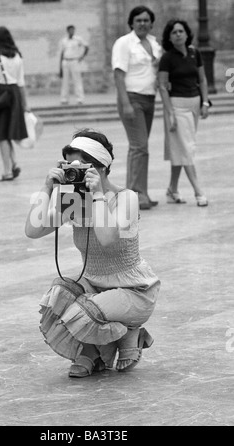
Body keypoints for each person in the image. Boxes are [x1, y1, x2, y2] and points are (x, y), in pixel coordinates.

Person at [25, 128, 160, 378]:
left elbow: (108, 240)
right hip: (95, 285)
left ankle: (128, 331)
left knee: (82, 311)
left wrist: (97, 195)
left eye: (81, 165)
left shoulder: (126, 198)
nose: (74, 172)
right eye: (70, 165)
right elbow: (32, 230)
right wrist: (46, 188)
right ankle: (95, 351)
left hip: (133, 290)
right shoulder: (73, 199)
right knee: (60, 295)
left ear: (100, 168)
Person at [112, 6, 162, 210]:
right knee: (139, 146)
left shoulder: (154, 43)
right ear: (131, 23)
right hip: (132, 98)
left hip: (149, 98)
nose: (142, 23)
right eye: (138, 20)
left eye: (146, 20)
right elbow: (118, 74)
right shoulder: (124, 43)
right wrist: (125, 103)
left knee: (142, 148)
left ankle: (142, 192)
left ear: (151, 23)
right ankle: (134, 194)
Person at [158, 19, 209, 206]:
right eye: (174, 32)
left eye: (181, 31)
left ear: (187, 33)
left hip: (195, 103)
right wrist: (170, 112)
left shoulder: (195, 53)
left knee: (181, 148)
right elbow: (162, 86)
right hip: (176, 106)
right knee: (187, 148)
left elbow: (202, 80)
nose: (178, 34)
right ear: (169, 38)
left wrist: (205, 102)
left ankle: (172, 189)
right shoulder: (167, 58)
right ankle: (198, 191)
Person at [0, 26, 29, 182]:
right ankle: (13, 164)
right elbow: (21, 83)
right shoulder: (17, 56)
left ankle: (7, 171)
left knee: (3, 136)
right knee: (8, 134)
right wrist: (25, 105)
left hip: (1, 94)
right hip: (15, 94)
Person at [59, 25, 89, 105]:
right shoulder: (64, 40)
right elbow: (62, 53)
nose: (72, 31)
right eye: (70, 30)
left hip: (74, 61)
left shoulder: (78, 39)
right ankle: (64, 98)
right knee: (65, 81)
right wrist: (60, 67)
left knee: (77, 80)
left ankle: (80, 98)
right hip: (66, 61)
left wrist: (82, 57)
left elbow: (86, 47)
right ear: (67, 31)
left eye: (73, 30)